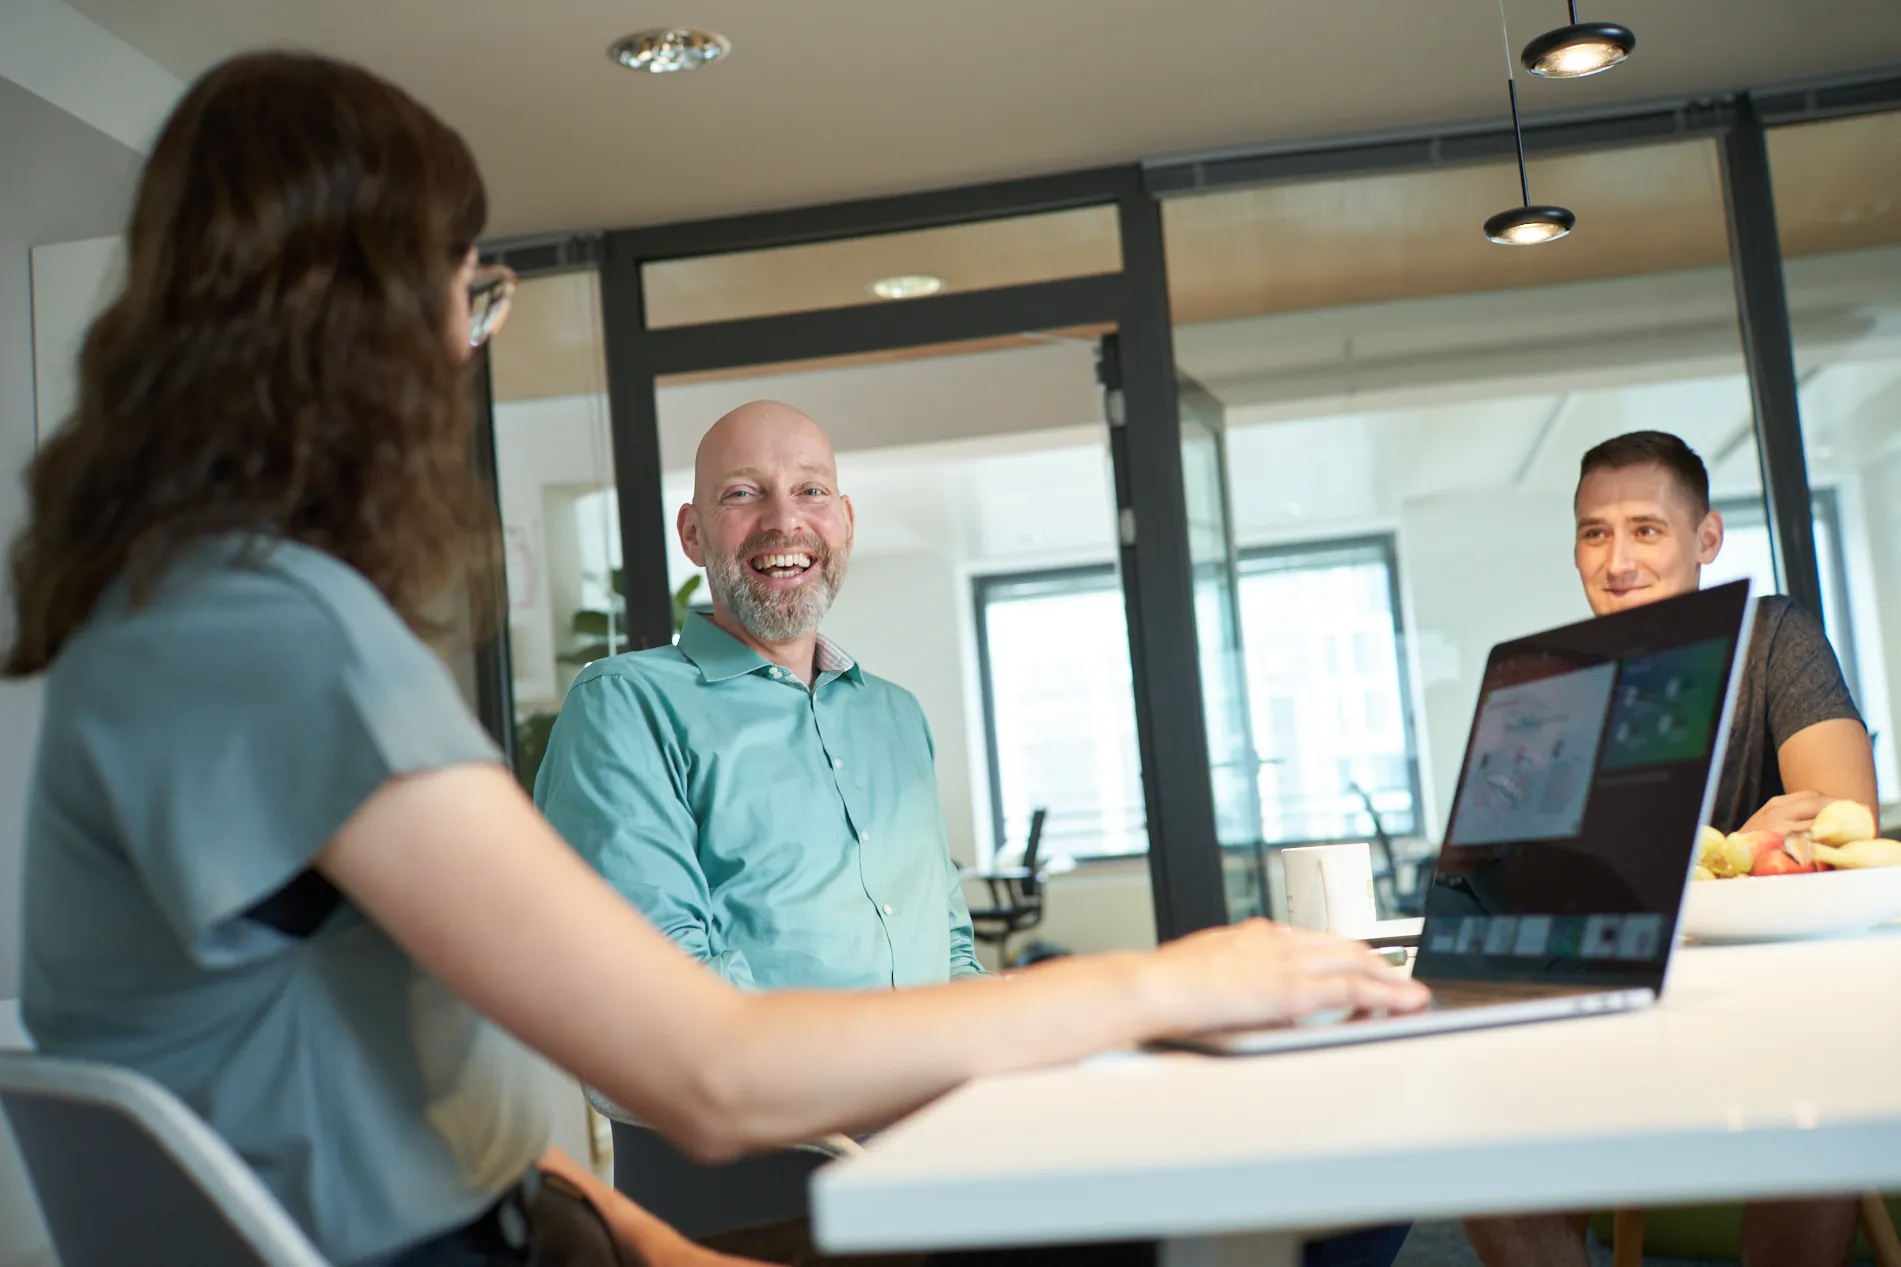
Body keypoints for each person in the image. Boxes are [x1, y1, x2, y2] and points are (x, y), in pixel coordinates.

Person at [4, 50, 1428, 1267]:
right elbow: (711, 1067)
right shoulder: (282, 643)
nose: (464, 345)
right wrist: (1178, 974)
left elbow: (347, 1056)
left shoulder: (191, 614)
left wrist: (618, 1228)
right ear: (362, 319)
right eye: (469, 296)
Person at [1463, 430, 1877, 1267]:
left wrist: (1635, 862)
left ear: (1706, 539)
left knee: (1812, 1120)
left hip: (1762, 1013)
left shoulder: (1771, 640)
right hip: (1601, 1010)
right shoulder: (1549, 689)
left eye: (1645, 529)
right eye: (1593, 531)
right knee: (1485, 1171)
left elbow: (1840, 822)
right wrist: (1741, 842)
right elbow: (1511, 887)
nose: (1617, 559)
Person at [537, 401, 985, 998]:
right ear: (693, 534)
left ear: (845, 521)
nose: (784, 521)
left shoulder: (896, 716)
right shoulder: (626, 707)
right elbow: (664, 994)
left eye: (811, 491)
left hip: (942, 1083)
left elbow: (948, 947)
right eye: (743, 494)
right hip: (781, 1091)